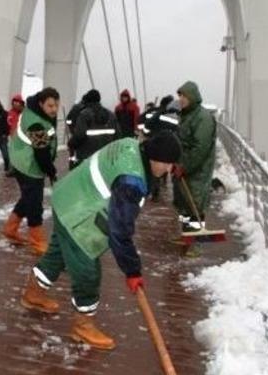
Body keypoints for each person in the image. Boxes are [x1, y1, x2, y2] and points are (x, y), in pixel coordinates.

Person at [19, 132, 182, 350]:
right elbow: (120, 231)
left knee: (58, 254)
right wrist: (132, 271)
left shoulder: (131, 145)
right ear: (155, 157)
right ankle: (82, 326)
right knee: (88, 271)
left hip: (67, 196)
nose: (169, 170)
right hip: (77, 214)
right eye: (168, 164)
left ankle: (33, 293)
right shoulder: (131, 181)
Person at [2, 87, 60, 255]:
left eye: (56, 105)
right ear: (41, 104)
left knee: (28, 197)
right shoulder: (36, 123)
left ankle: (10, 229)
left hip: (21, 159)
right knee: (34, 203)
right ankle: (38, 243)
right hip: (28, 165)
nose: (54, 109)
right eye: (50, 106)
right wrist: (51, 172)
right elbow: (41, 153)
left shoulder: (35, 111)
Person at [171, 81, 216, 233]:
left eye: (184, 96)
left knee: (194, 204)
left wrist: (184, 166)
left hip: (197, 171)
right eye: (180, 96)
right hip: (182, 168)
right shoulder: (186, 115)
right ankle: (185, 233)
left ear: (192, 97)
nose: (181, 100)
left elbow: (200, 148)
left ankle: (195, 236)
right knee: (182, 205)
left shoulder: (203, 118)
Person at [140, 95, 180, 201]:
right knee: (165, 166)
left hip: (157, 144)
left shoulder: (159, 113)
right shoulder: (177, 116)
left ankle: (154, 191)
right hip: (170, 145)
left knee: (155, 169)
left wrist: (148, 135)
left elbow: (147, 125)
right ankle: (163, 181)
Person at [67, 89, 117, 169]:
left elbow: (79, 135)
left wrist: (71, 143)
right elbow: (118, 136)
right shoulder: (111, 115)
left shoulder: (84, 115)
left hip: (86, 157)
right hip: (105, 157)